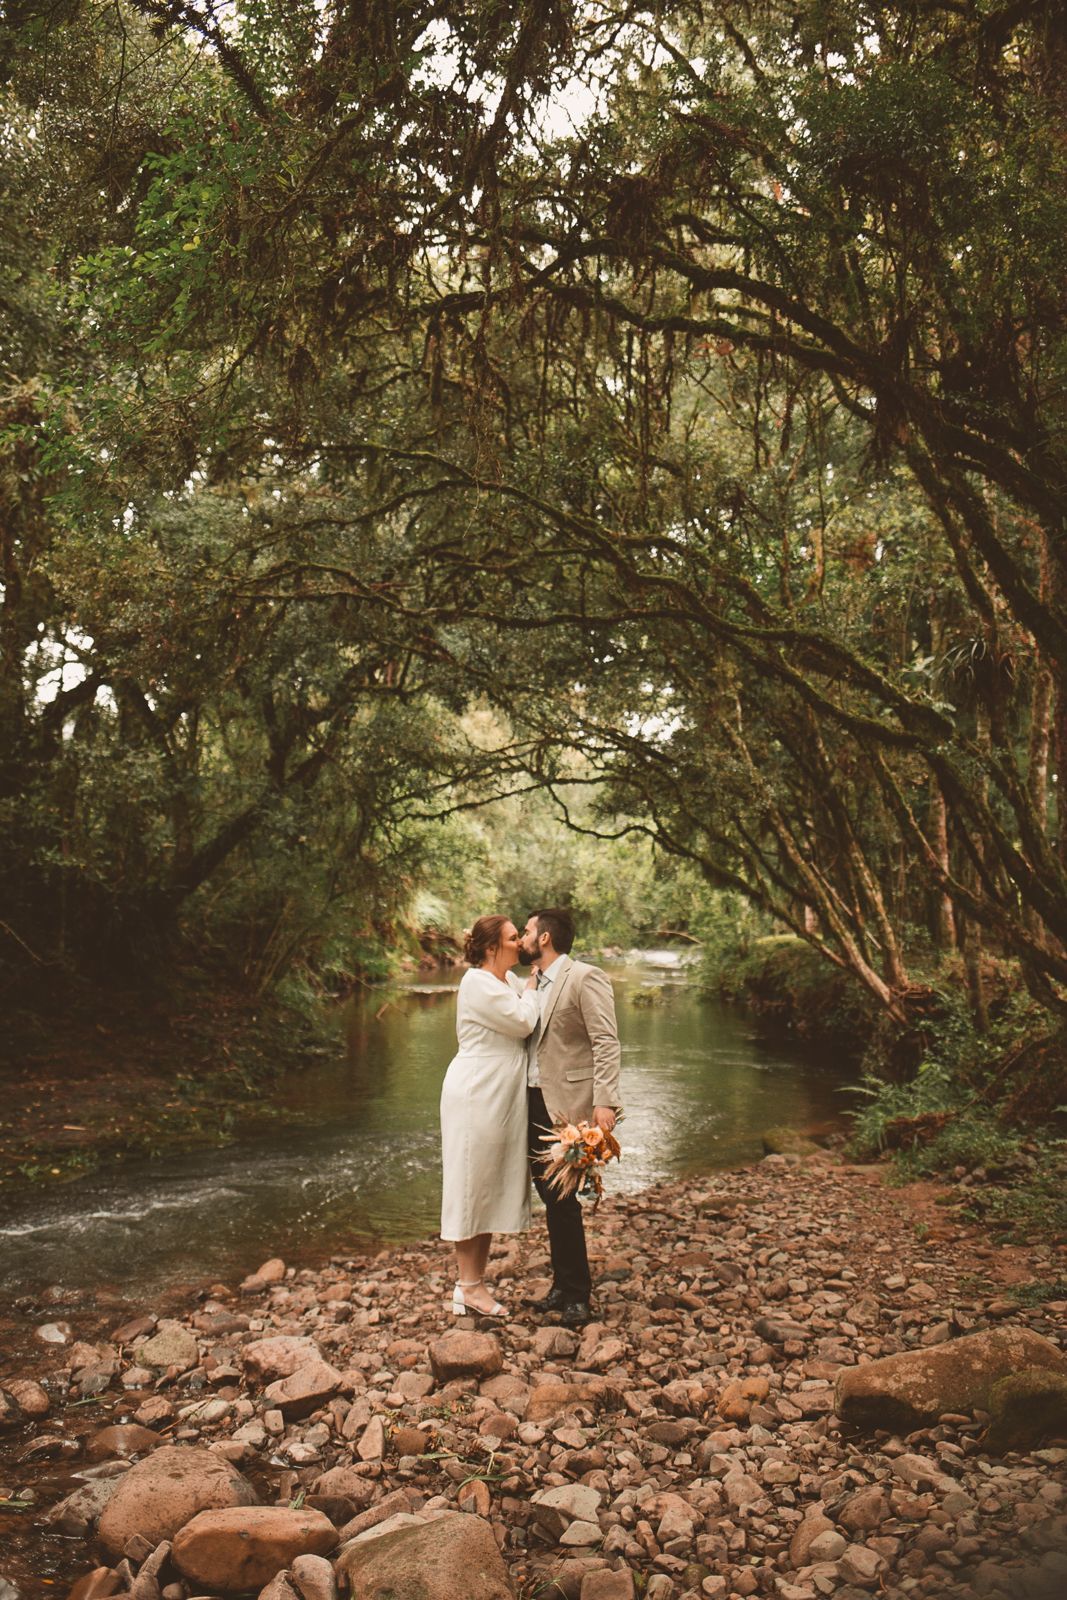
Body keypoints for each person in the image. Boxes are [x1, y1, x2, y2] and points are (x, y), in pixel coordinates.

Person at [517, 907, 622, 1327]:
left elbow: (605, 1040)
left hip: (569, 1104)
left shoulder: (584, 977)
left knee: (562, 1199)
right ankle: (562, 1286)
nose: (521, 938)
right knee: (548, 1196)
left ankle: (577, 1294)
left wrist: (606, 1102)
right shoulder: (531, 984)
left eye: (525, 932)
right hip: (530, 1100)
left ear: (544, 938)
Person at [440, 914, 540, 1318]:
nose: (520, 944)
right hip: (476, 1092)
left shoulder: (507, 982)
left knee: (486, 1184)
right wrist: (534, 984)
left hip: (500, 1093)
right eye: (514, 938)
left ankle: (473, 1284)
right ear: (490, 948)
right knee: (471, 1183)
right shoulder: (477, 982)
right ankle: (468, 1287)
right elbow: (522, 1021)